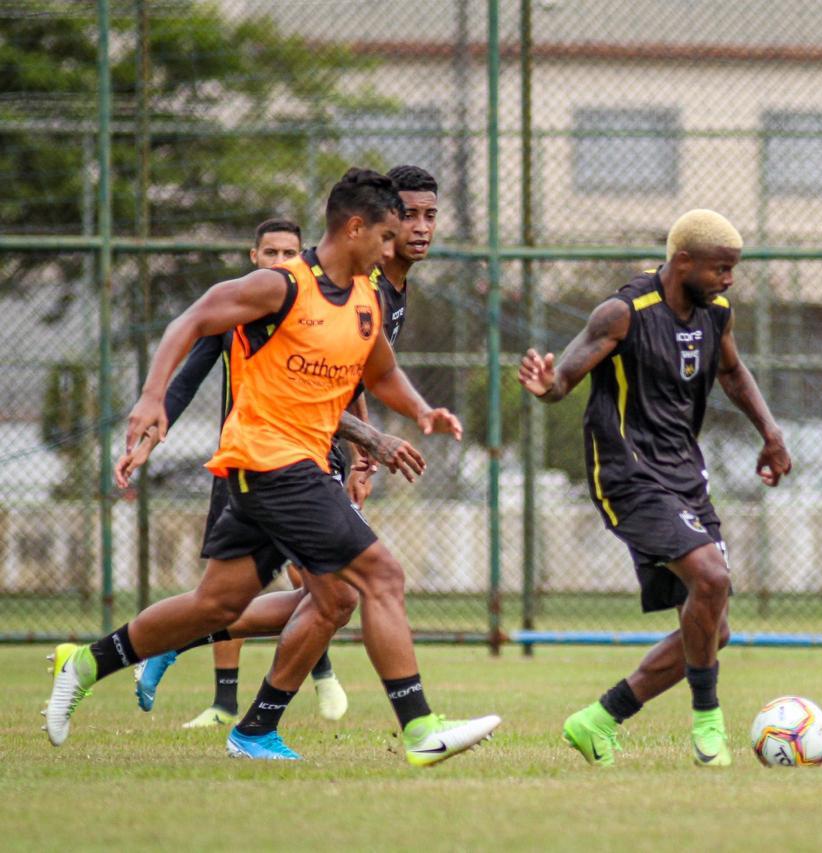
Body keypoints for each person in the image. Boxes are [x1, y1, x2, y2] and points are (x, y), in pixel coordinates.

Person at [44, 167, 500, 764]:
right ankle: (419, 730)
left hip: (292, 464)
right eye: (386, 235)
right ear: (356, 228)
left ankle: (86, 663)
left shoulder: (365, 297)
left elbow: (381, 373)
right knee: (380, 577)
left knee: (219, 605)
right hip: (271, 461)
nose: (393, 248)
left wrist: (421, 410)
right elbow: (193, 321)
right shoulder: (282, 285)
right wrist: (153, 397)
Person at [133, 165, 441, 727]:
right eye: (406, 218)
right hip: (268, 456)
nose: (418, 230)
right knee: (350, 590)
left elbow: (354, 377)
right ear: (368, 225)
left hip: (309, 452)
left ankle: (208, 671)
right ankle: (402, 723)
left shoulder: (381, 293)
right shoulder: (315, 287)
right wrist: (154, 409)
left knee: (324, 598)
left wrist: (366, 448)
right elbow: (215, 352)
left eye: (429, 216)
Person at [518, 209, 791, 768]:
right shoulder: (623, 313)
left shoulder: (716, 313)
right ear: (682, 261)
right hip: (627, 472)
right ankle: (708, 724)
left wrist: (770, 431)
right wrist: (547, 387)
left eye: (732, 269)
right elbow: (563, 378)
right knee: (711, 578)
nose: (728, 280)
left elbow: (733, 373)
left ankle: (598, 721)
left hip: (683, 473)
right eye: (720, 268)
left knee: (714, 629)